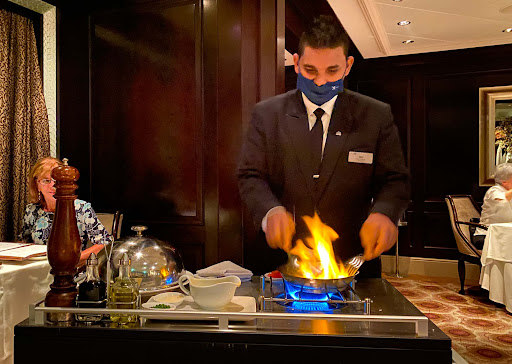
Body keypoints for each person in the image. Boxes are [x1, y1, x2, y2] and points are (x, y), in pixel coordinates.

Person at [237, 15, 409, 277]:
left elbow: (395, 180)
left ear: (348, 66)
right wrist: (269, 211)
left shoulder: (375, 115)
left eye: (332, 71)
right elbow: (250, 175)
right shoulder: (267, 114)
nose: (320, 82)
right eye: (310, 70)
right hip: (280, 260)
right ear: (296, 62)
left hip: (352, 261)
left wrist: (384, 213)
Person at [19, 157, 112, 261]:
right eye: (46, 181)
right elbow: (24, 244)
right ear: (37, 185)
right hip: (38, 269)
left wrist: (73, 261)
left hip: (72, 271)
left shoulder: (82, 209)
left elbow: (104, 243)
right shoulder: (31, 211)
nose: (52, 185)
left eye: (56, 180)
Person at [473, 163, 512, 249]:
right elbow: (503, 198)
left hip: (505, 235)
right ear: (504, 181)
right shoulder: (493, 191)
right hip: (487, 235)